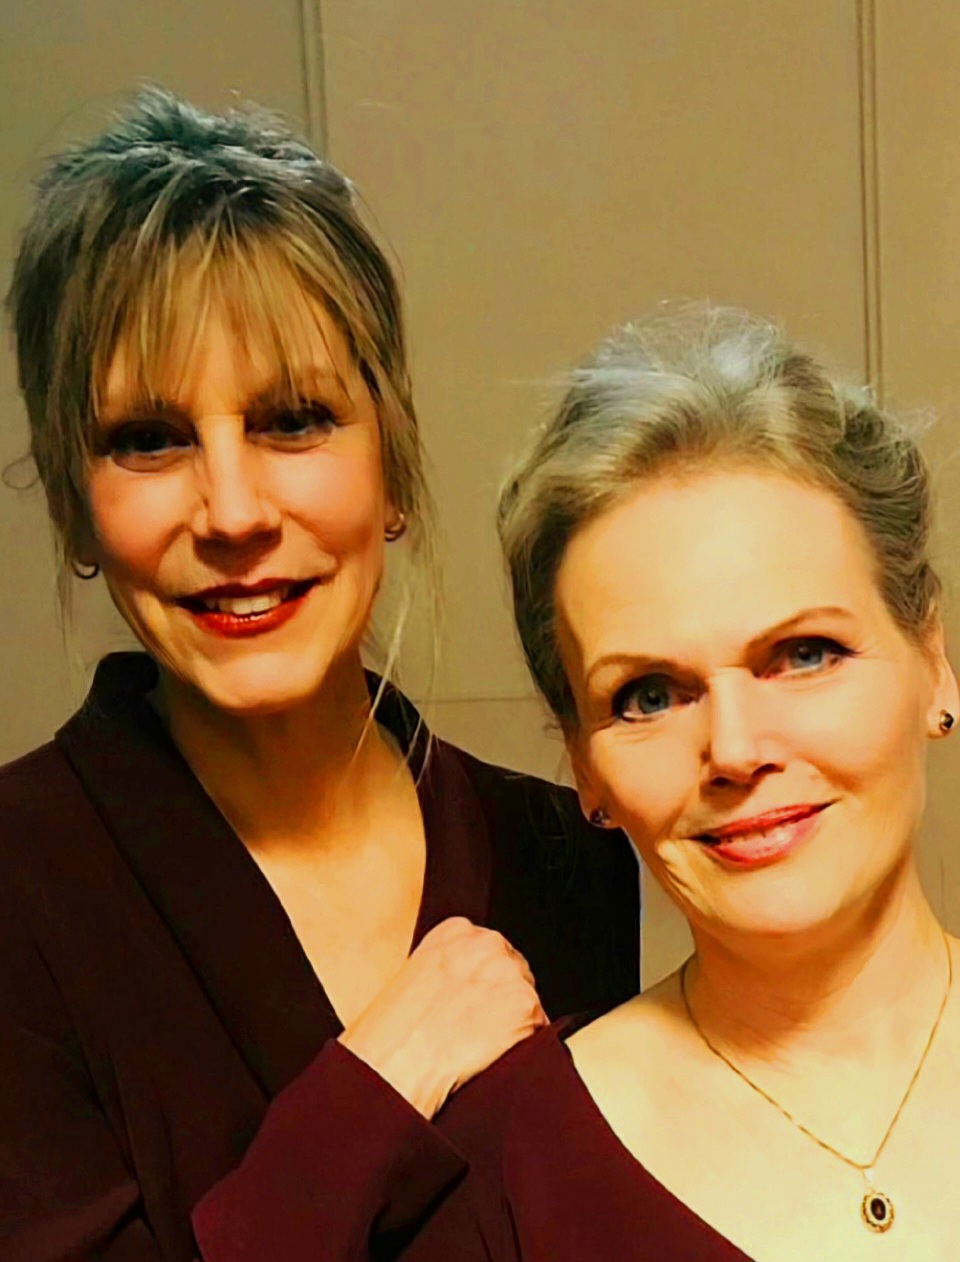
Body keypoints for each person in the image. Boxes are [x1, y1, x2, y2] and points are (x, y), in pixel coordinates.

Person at [0, 88, 639, 1262]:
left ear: (391, 465)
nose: (233, 511)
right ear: (78, 503)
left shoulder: (568, 852)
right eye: (149, 438)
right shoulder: (20, 886)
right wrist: (375, 1092)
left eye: (293, 420)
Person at [397, 305, 960, 1262]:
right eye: (649, 696)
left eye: (804, 653)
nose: (734, 750)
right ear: (584, 764)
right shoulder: (505, 1172)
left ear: (934, 663)